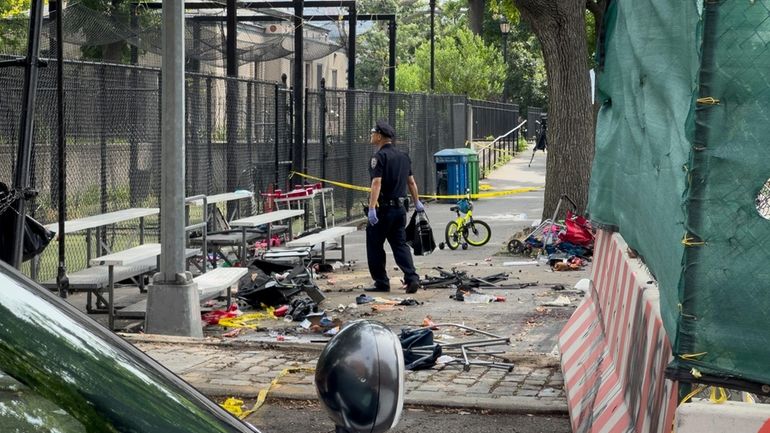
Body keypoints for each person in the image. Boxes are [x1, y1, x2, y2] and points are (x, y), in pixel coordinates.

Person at [365, 119, 424, 294]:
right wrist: (417, 202)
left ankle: (381, 282)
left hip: (383, 209)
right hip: (400, 209)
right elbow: (411, 183)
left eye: (373, 132)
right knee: (400, 244)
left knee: (374, 245)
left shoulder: (379, 157)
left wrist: (372, 208)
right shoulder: (403, 156)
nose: (371, 135)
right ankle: (412, 278)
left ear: (380, 136)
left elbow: (376, 183)